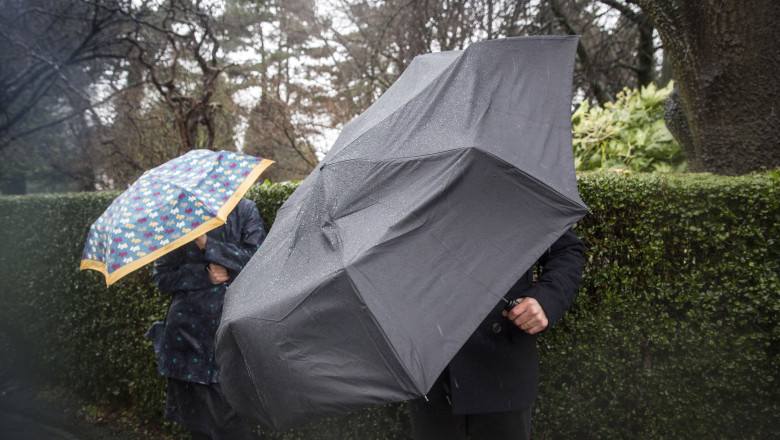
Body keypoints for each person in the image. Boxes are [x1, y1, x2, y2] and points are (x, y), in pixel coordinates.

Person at [406, 228, 585, 440]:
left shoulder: (519, 194)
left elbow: (565, 250)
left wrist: (546, 300)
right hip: (431, 368)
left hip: (503, 365)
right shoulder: (399, 196)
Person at [149, 198, 265, 440]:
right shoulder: (178, 216)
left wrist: (207, 245)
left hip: (227, 332)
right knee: (198, 425)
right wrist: (204, 275)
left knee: (228, 421)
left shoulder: (244, 209)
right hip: (186, 339)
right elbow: (162, 277)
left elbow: (258, 260)